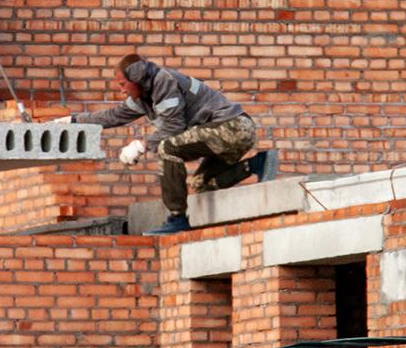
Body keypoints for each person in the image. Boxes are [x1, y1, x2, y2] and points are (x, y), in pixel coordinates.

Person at [62, 52, 271, 235]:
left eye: (123, 84)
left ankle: (177, 218)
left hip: (233, 127)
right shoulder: (144, 96)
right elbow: (113, 115)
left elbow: (174, 126)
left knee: (167, 148)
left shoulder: (164, 81)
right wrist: (71, 121)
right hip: (221, 133)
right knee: (201, 185)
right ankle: (255, 164)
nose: (121, 90)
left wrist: (141, 146)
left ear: (137, 79)